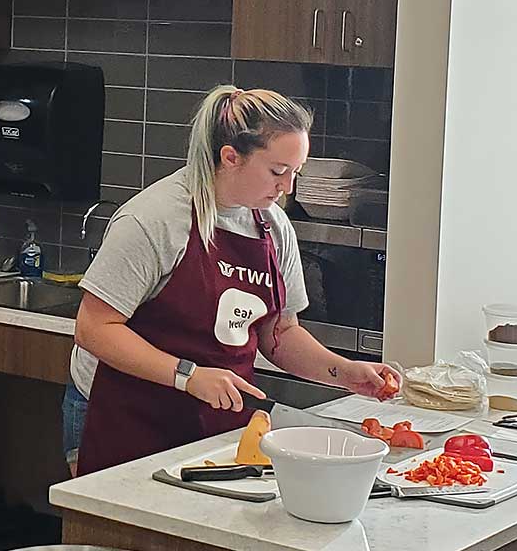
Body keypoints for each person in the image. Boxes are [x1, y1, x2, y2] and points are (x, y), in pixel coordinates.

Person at [66, 85, 401, 477]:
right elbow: (94, 328)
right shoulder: (153, 219)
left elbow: (280, 332)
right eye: (278, 171)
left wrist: (345, 372)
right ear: (230, 157)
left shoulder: (272, 226)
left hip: (212, 424)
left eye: (296, 173)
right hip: (126, 418)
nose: (287, 187)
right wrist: (188, 376)